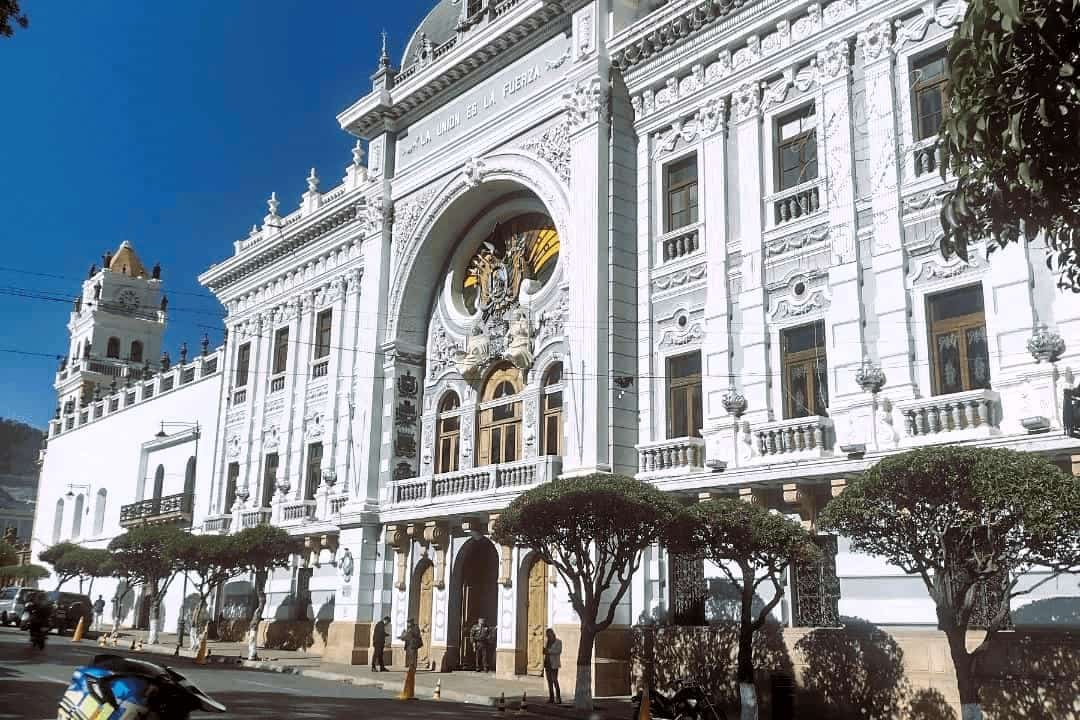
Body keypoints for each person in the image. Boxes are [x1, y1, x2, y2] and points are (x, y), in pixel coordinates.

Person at [543, 628, 563, 704]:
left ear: (552, 633)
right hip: (547, 663)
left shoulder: (558, 642)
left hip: (554, 664)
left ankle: (558, 697)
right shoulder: (546, 642)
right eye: (547, 634)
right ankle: (551, 698)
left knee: (555, 681)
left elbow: (558, 651)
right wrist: (544, 651)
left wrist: (548, 651)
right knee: (549, 682)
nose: (548, 636)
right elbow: (545, 650)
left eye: (549, 634)